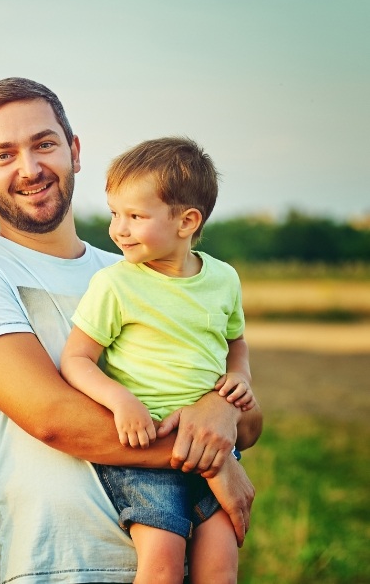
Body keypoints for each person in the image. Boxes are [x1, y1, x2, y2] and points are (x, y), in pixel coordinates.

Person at [0, 77, 262, 584]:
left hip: (183, 558)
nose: (31, 167)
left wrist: (220, 407)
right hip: (60, 563)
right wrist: (214, 458)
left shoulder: (141, 267)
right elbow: (54, 418)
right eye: (4, 155)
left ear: (75, 151)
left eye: (44, 144)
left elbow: (250, 422)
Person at [60, 137, 257, 584]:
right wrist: (121, 401)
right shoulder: (116, 285)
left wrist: (239, 377)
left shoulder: (223, 279)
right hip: (146, 454)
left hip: (216, 447)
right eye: (115, 213)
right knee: (163, 566)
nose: (118, 229)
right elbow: (76, 359)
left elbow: (236, 340)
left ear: (187, 222)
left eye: (136, 216)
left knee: (221, 569)